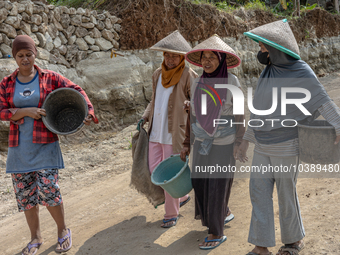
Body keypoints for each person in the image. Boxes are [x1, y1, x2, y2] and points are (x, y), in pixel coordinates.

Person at [237, 19, 340, 255]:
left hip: (287, 145)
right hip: (262, 147)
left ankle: (293, 240)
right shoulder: (268, 72)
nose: (261, 51)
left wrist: (338, 125)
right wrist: (245, 143)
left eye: (264, 46)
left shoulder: (301, 70)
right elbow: (258, 112)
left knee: (286, 194)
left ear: (275, 49)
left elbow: (322, 99)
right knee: (258, 193)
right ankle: (260, 245)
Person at [0, 35, 98, 255]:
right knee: (26, 197)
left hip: (45, 145)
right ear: (14, 57)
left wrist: (89, 111)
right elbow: (1, 111)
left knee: (49, 190)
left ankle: (63, 230)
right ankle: (35, 237)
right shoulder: (7, 83)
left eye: (29, 54)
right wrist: (25, 112)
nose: (25, 59)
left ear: (35, 54)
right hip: (19, 150)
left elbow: (78, 91)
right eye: (20, 55)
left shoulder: (50, 78)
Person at [180, 34, 245, 250]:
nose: (207, 61)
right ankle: (222, 212)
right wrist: (187, 142)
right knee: (200, 183)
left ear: (221, 60)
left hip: (224, 143)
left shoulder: (232, 82)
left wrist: (239, 142)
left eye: (212, 57)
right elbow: (193, 116)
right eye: (204, 57)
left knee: (217, 185)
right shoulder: (198, 81)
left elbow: (239, 115)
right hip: (201, 141)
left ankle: (216, 232)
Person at [138, 31, 198, 228]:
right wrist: (146, 116)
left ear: (181, 57)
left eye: (174, 55)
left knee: (167, 175)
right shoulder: (157, 74)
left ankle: (171, 213)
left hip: (175, 133)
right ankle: (181, 196)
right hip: (156, 131)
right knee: (155, 170)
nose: (170, 59)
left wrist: (191, 103)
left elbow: (199, 101)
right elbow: (154, 101)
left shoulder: (188, 75)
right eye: (167, 55)